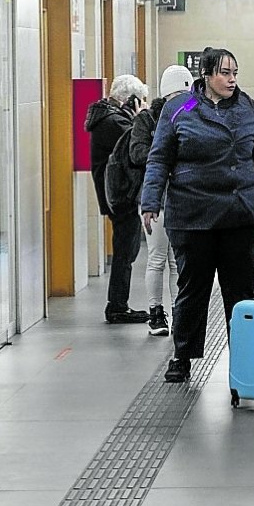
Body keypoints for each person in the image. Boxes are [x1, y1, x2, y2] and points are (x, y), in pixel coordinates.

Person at [140, 48, 254, 383]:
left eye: (235, 72)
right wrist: (150, 201)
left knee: (241, 291)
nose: (232, 79)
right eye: (224, 73)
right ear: (206, 75)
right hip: (192, 216)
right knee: (192, 289)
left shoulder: (250, 109)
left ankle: (246, 356)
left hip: (239, 215)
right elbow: (160, 157)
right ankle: (182, 355)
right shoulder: (183, 107)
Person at [127, 65, 192, 336]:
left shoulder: (191, 113)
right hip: (156, 198)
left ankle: (180, 312)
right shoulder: (149, 119)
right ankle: (156, 313)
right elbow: (137, 153)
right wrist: (164, 149)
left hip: (180, 198)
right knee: (156, 258)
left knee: (177, 260)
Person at [86, 73, 150, 325]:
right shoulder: (113, 122)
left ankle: (118, 304)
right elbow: (139, 145)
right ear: (130, 100)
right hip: (120, 195)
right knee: (126, 251)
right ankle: (117, 306)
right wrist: (142, 119)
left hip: (116, 193)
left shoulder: (108, 117)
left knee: (127, 249)